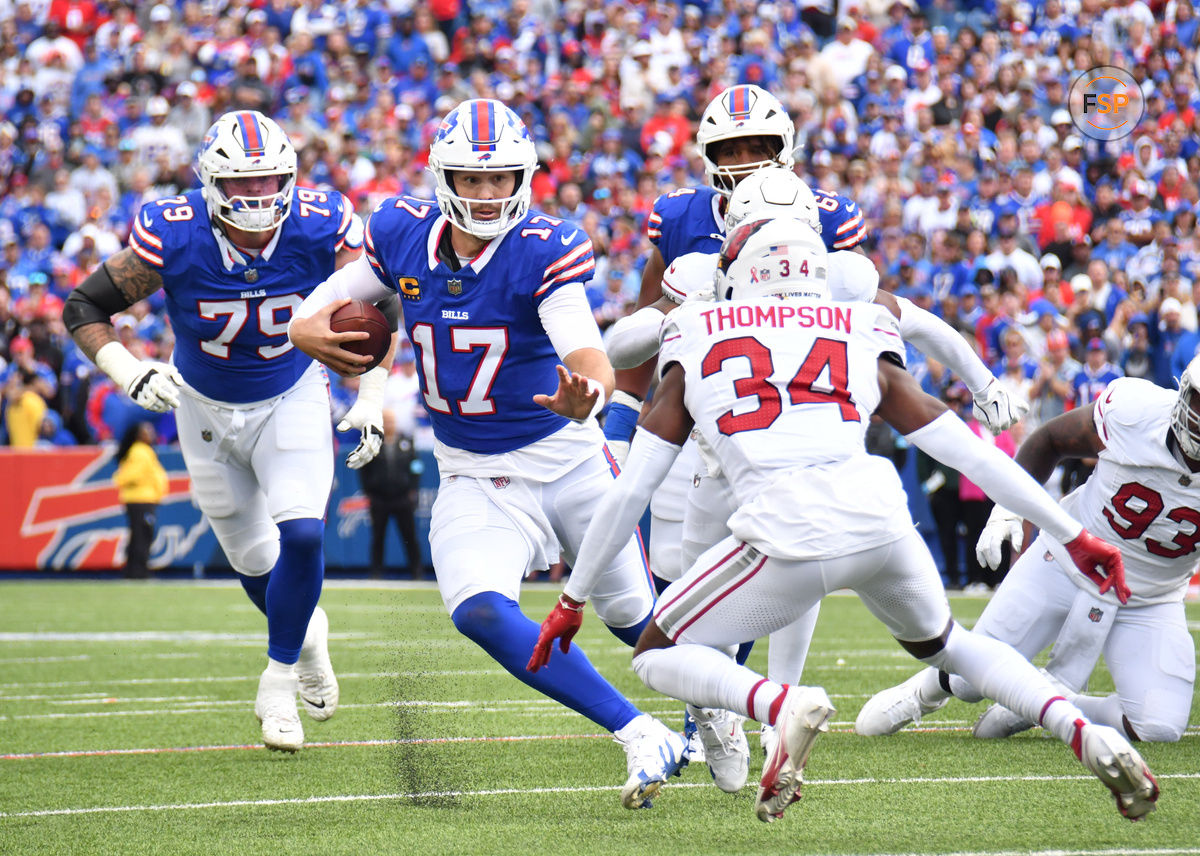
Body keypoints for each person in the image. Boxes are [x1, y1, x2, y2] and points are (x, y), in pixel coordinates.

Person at [530, 218, 1158, 824]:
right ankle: (1078, 727)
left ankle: (781, 705)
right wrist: (1073, 534)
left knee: (655, 653)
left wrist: (572, 596)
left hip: (782, 533)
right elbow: (962, 447)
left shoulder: (695, 328)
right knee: (952, 646)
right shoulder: (859, 325)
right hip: (881, 522)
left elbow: (630, 489)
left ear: (739, 273)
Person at [287, 98, 687, 810]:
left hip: (568, 460)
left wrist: (589, 397)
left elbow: (583, 346)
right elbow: (320, 306)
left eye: (500, 178)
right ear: (444, 178)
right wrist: (302, 332)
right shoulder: (401, 232)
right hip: (474, 470)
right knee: (476, 609)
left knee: (636, 620)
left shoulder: (543, 245)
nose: (486, 194)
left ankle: (710, 711)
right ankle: (636, 731)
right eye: (471, 180)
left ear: (522, 179)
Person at [62, 110, 384, 752]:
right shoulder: (174, 233)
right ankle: (309, 638)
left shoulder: (322, 224)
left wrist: (371, 394)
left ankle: (278, 677)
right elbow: (84, 305)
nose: (259, 197)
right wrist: (126, 369)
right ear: (211, 183)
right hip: (201, 405)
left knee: (303, 532)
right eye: (242, 184)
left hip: (290, 391)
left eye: (269, 181)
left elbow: (384, 300)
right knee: (250, 557)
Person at [858, 364, 1200, 746]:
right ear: (1184, 391)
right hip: (1067, 561)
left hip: (1149, 598)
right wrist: (1010, 509)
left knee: (1158, 725)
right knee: (969, 680)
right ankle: (924, 692)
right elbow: (1051, 440)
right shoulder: (1135, 411)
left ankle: (1048, 702)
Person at [357, 409, 425, 579]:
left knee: (409, 536)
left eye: (391, 421)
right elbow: (364, 469)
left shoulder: (406, 443)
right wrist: (369, 491)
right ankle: (376, 573)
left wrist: (412, 488)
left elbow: (416, 467)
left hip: (402, 498)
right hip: (379, 498)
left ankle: (416, 571)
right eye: (386, 421)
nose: (389, 425)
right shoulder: (372, 444)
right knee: (378, 537)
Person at [113, 421, 167, 579]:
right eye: (147, 431)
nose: (151, 434)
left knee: (139, 535)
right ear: (138, 435)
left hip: (140, 499)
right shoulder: (141, 451)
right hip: (141, 499)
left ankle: (133, 570)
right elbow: (130, 475)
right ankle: (138, 572)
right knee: (143, 536)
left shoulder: (140, 451)